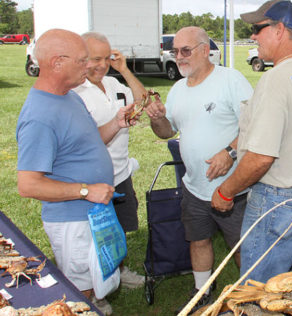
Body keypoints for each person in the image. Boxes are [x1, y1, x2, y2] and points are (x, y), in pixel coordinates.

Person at [16, 29, 137, 315]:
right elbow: (28, 185)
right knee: (78, 292)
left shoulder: (68, 97)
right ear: (57, 62)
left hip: (92, 213)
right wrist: (85, 190)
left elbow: (87, 139)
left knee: (95, 281)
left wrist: (116, 123)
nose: (90, 67)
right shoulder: (39, 116)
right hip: (73, 220)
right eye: (82, 61)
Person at [211, 0, 292, 283]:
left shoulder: (276, 78)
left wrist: (225, 192)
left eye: (257, 28)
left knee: (258, 294)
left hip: (278, 205)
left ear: (279, 30)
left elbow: (261, 157)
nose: (252, 36)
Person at [146, 26, 253, 313]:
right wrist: (157, 119)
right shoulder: (178, 89)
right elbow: (167, 131)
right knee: (198, 239)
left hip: (234, 188)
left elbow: (255, 126)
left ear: (205, 50)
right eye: (175, 51)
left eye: (186, 50)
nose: (178, 57)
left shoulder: (230, 80)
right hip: (193, 186)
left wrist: (230, 153)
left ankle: (252, 296)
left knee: (243, 248)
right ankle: (202, 290)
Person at [73, 32, 148, 289]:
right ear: (82, 58)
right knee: (92, 235)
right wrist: (117, 124)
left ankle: (120, 270)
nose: (103, 65)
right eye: (96, 59)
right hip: (91, 179)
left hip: (121, 172)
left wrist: (125, 71)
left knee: (120, 228)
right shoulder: (74, 92)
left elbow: (142, 100)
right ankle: (93, 288)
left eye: (107, 58)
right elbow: (85, 142)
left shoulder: (114, 84)